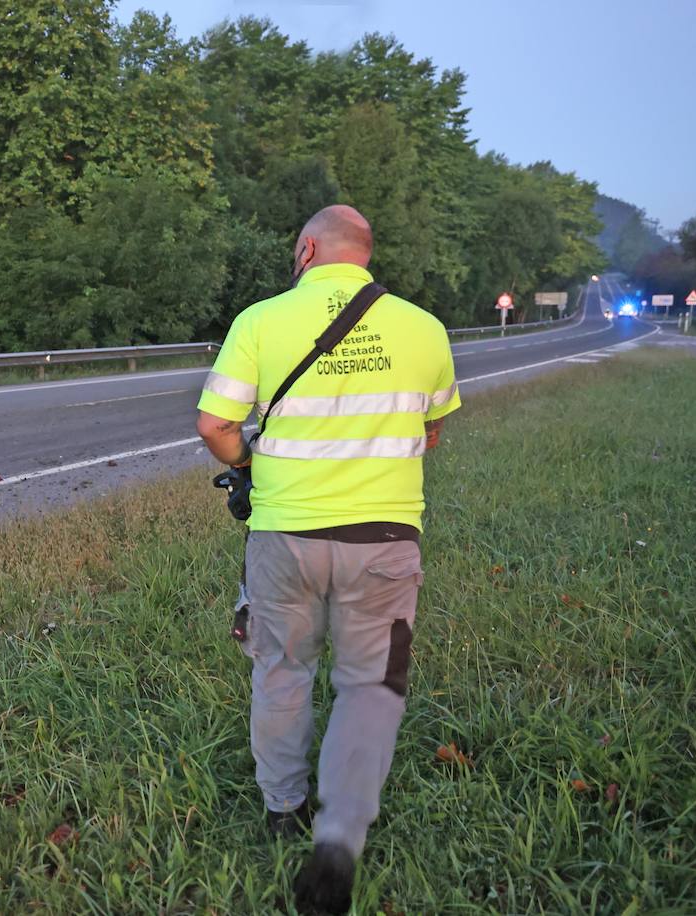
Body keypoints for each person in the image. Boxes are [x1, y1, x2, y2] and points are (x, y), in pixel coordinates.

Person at [196, 206, 460, 914]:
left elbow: (215, 425)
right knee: (371, 685)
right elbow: (429, 433)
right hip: (384, 539)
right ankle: (339, 833)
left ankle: (284, 807)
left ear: (307, 248)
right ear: (365, 255)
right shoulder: (424, 328)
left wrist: (250, 462)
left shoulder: (260, 320)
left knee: (283, 669)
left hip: (284, 537)